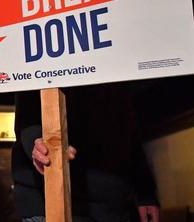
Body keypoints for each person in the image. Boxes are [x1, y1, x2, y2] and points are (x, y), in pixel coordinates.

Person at [11, 82, 160, 222]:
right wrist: (38, 144)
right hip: (50, 200)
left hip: (114, 203)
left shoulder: (116, 68)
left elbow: (128, 127)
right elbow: (27, 113)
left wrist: (145, 190)